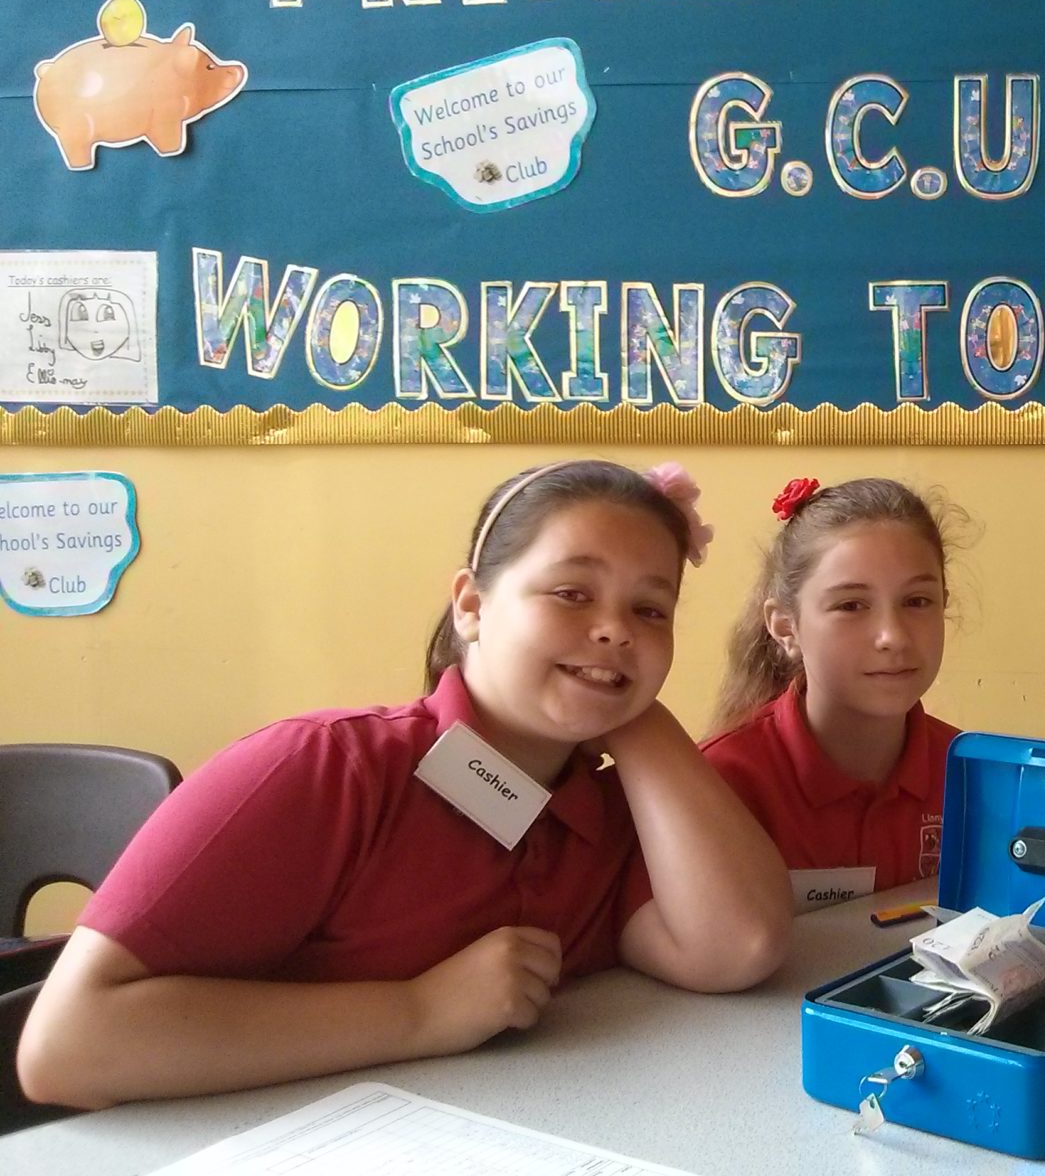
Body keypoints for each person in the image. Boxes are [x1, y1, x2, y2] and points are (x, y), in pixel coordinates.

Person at [19, 460, 792, 1109]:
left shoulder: (608, 809)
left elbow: (741, 946)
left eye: (650, 610)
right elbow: (67, 1047)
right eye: (571, 593)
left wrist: (636, 714)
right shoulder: (326, 770)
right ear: (472, 605)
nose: (617, 628)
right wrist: (417, 1012)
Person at [703, 477, 959, 896]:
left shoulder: (973, 775)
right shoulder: (722, 784)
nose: (892, 636)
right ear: (786, 627)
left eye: (917, 601)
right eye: (851, 606)